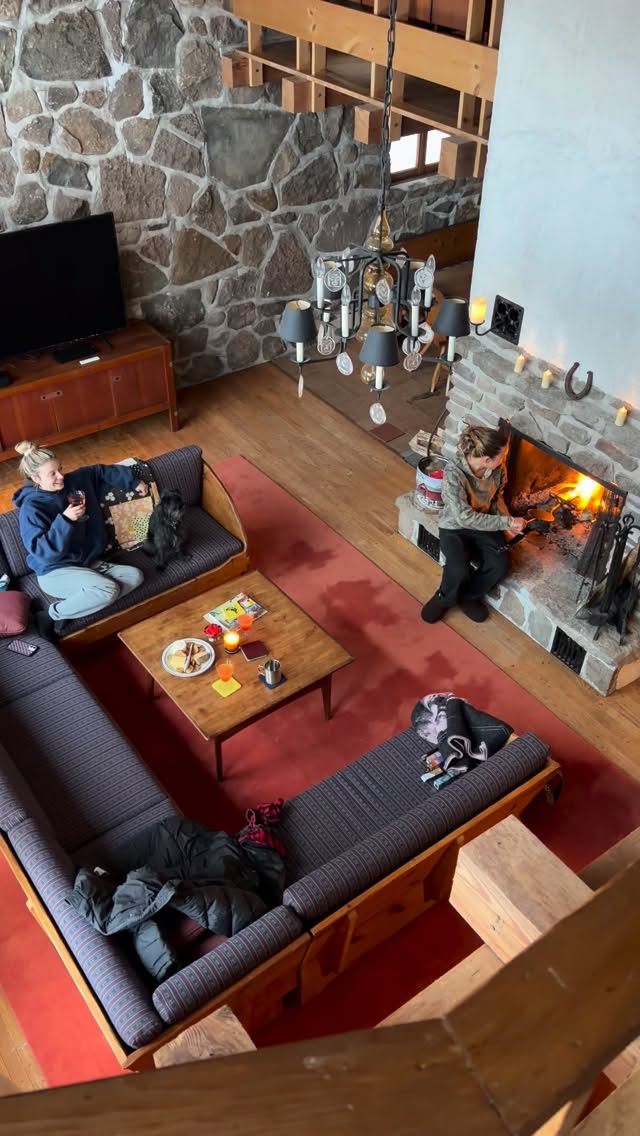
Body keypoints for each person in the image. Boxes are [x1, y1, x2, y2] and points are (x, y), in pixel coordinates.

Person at [13, 440, 148, 637]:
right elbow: (42, 552)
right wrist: (65, 520)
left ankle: (82, 602)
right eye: (53, 474)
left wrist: (132, 482)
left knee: (135, 576)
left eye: (60, 469)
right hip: (54, 571)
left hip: (85, 563)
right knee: (108, 590)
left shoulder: (74, 481)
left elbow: (98, 471)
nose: (61, 476)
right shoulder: (31, 508)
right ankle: (51, 614)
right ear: (36, 478)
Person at [421, 424, 526, 625]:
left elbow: (496, 498)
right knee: (458, 568)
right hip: (454, 527)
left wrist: (506, 522)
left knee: (500, 564)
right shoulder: (454, 473)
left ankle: (469, 596)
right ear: (487, 459)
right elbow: (464, 518)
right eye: (502, 455)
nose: (504, 459)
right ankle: (445, 598)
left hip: (484, 522)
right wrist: (508, 521)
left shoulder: (498, 469)